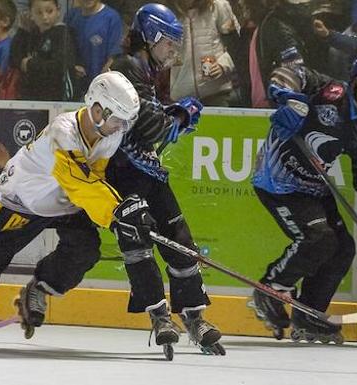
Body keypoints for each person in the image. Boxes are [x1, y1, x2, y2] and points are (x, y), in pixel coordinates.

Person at [0, 71, 145, 348]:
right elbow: (80, 182)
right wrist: (116, 213)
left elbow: (93, 180)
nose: (122, 127)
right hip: (24, 199)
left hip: (66, 201)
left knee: (85, 250)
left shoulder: (109, 134)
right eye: (118, 119)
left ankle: (39, 287)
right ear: (98, 109)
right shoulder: (63, 132)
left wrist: (117, 210)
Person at [250, 52, 357, 343]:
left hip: (314, 187)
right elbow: (293, 73)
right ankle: (270, 289)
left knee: (343, 249)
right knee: (319, 238)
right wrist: (286, 97)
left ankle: (309, 314)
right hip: (279, 181)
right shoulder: (331, 92)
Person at [107, 3, 224, 355]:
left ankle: (193, 315)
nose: (173, 49)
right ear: (150, 37)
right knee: (139, 241)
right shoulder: (129, 67)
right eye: (168, 42)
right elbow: (152, 127)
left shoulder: (148, 70)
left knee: (178, 239)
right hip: (124, 171)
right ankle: (159, 314)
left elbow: (152, 120)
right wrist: (182, 117)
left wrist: (174, 113)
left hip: (148, 169)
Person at [168, 0, 240, 106]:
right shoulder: (168, 13)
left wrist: (223, 64)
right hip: (182, 97)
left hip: (217, 94)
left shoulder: (218, 7)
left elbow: (237, 45)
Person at [9, 0, 79, 101]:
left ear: (58, 11)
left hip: (57, 97)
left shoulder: (62, 34)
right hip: (34, 96)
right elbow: (14, 60)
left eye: (49, 11)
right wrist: (22, 31)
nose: (45, 17)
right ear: (30, 14)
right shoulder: (31, 35)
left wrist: (30, 64)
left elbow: (60, 66)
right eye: (39, 13)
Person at [66, 0, 123, 90]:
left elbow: (114, 58)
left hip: (101, 87)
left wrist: (100, 84)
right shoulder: (71, 16)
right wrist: (72, 67)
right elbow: (64, 50)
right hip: (75, 86)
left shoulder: (112, 18)